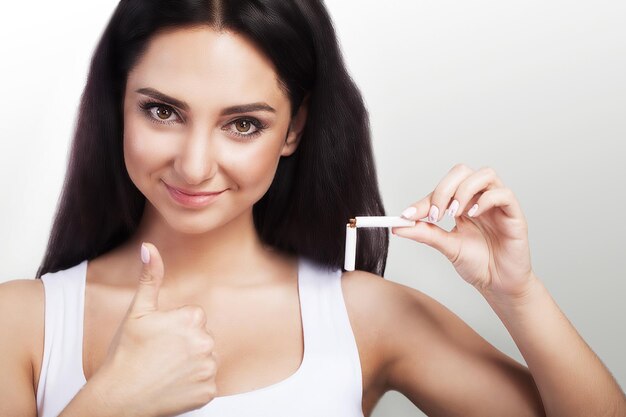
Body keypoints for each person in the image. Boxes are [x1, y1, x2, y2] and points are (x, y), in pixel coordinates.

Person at [0, 0, 624, 416]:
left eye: (243, 124)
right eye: (163, 111)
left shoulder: (364, 315)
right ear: (119, 106)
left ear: (294, 129)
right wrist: (110, 402)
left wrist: (516, 292)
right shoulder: (20, 323)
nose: (194, 165)